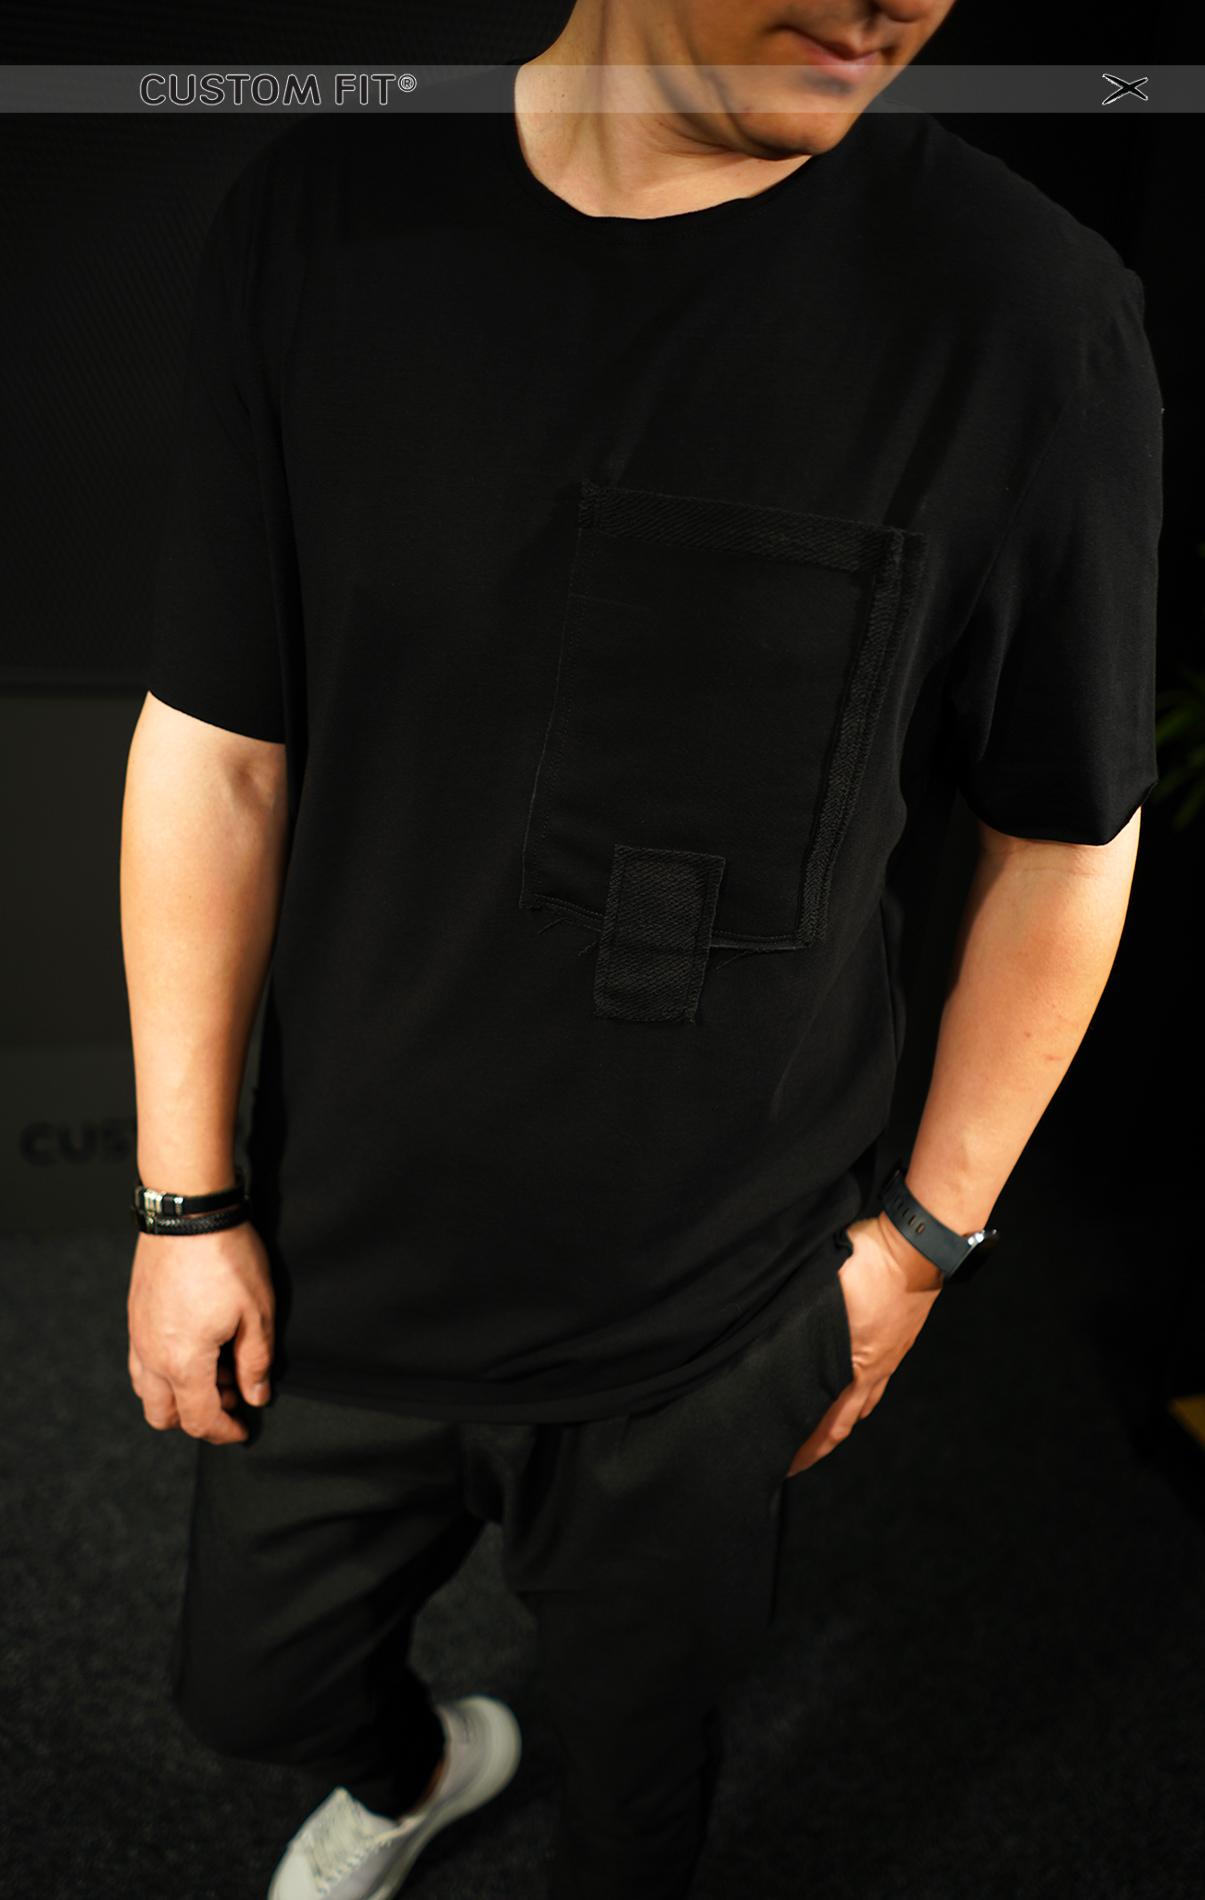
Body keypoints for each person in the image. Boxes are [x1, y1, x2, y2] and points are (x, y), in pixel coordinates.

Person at [120, 3, 1163, 1896]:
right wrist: (186, 1203)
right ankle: (427, 1768)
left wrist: (922, 1246)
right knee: (251, 1687)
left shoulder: (1024, 311)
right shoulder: (323, 220)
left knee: (645, 1778)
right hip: (350, 1249)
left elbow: (1065, 839)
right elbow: (218, 750)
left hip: (716, 1307)